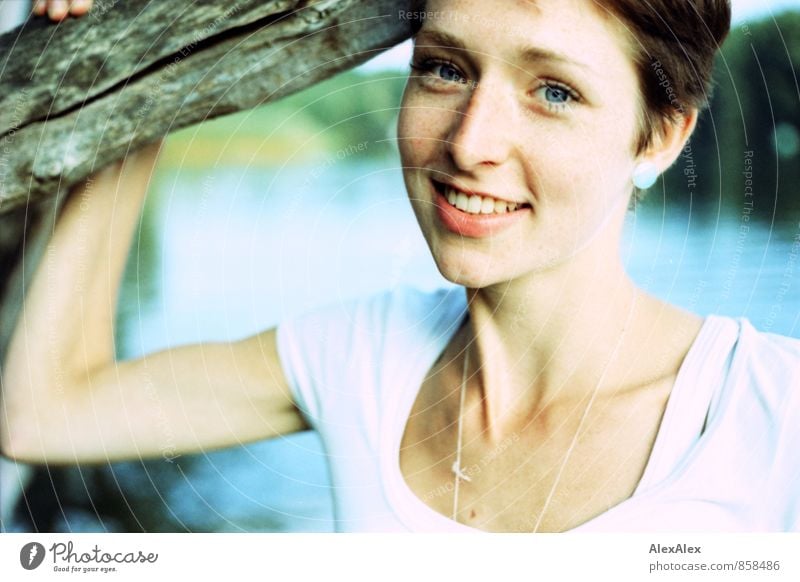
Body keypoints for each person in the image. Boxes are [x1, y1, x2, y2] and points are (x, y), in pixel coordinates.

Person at [3, 0, 799, 533]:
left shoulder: (772, 415)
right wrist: (145, 82)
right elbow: (43, 413)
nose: (469, 142)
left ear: (660, 136)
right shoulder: (362, 357)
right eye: (446, 68)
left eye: (553, 91)